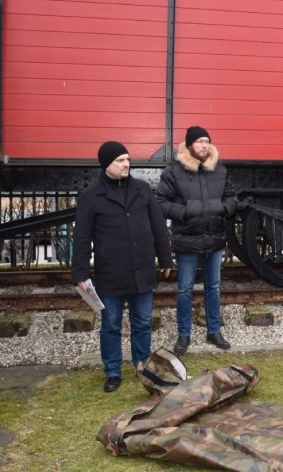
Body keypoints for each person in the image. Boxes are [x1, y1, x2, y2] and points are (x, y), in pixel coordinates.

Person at [72, 141, 173, 393]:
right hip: (110, 274)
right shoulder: (91, 197)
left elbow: (158, 227)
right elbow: (82, 238)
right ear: (106, 164)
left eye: (127, 159)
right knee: (111, 325)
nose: (126, 164)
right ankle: (113, 372)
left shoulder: (142, 190)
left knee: (142, 324)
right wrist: (80, 274)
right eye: (119, 160)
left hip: (142, 271)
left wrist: (166, 258)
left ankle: (142, 367)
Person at [155, 126, 236, 355]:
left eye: (207, 141)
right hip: (187, 242)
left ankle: (214, 331)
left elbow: (232, 198)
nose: (204, 145)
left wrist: (222, 207)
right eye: (200, 141)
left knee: (213, 288)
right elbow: (159, 201)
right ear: (189, 144)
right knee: (184, 290)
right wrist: (185, 211)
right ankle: (183, 335)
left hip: (214, 240)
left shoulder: (219, 170)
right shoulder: (174, 171)